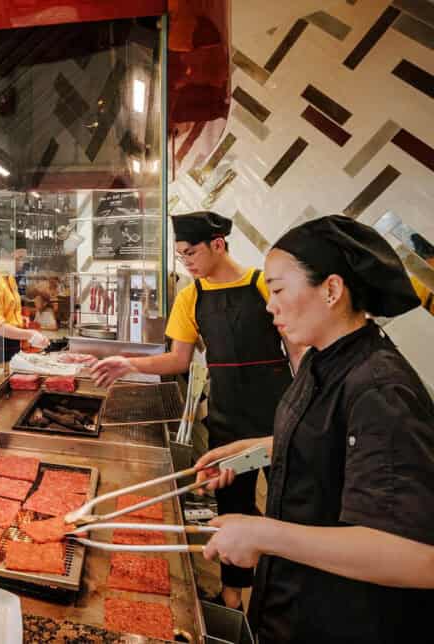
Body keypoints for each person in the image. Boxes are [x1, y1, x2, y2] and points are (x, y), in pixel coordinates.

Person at [196, 215, 434, 643]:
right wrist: (252, 450)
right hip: (293, 606)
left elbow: (417, 557)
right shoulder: (323, 359)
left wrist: (264, 533)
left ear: (331, 290)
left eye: (279, 289)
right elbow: (329, 439)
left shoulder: (381, 388)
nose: (269, 305)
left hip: (346, 622)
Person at [90, 211, 298, 609]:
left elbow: (297, 353)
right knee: (232, 503)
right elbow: (178, 360)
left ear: (218, 244)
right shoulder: (192, 296)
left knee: (289, 503)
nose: (185, 262)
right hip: (227, 416)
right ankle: (233, 596)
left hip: (278, 412)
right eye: (180, 255)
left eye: (190, 253)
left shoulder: (261, 285)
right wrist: (129, 363)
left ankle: (288, 597)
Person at [0, 255, 49, 366]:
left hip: (10, 340)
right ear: (4, 256)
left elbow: (8, 312)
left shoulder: (9, 279)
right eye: (19, 258)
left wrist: (20, 319)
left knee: (12, 379)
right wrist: (30, 335)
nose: (22, 263)